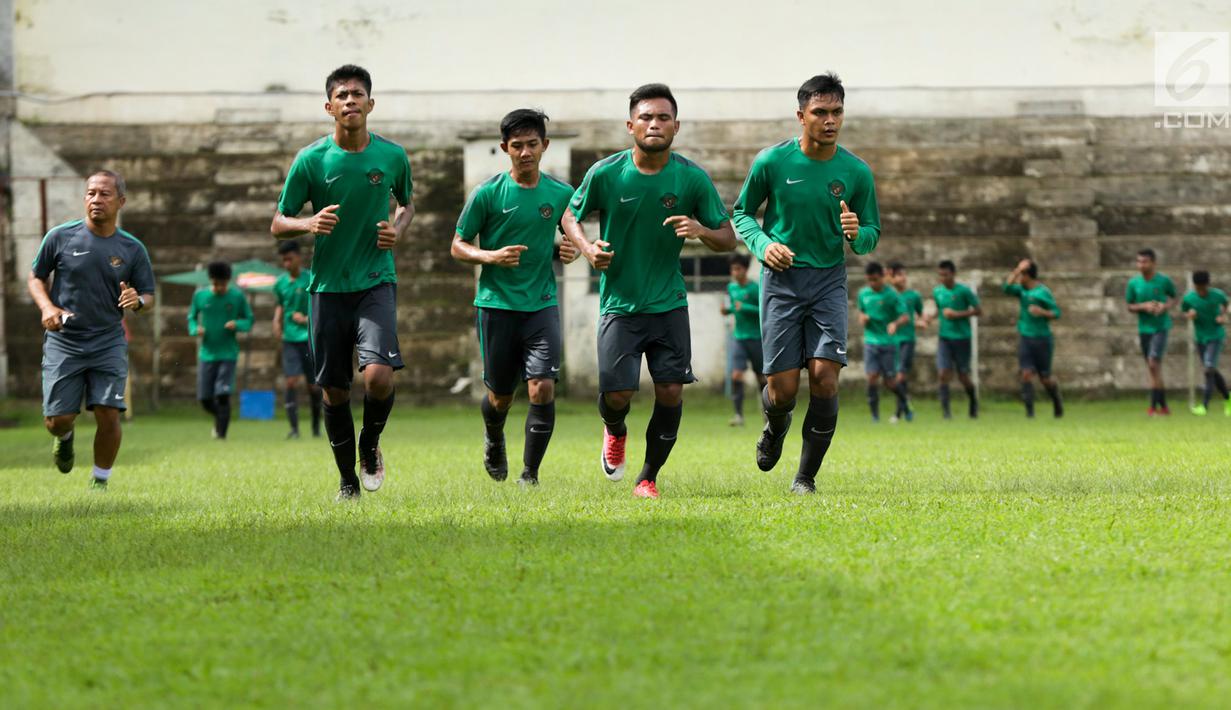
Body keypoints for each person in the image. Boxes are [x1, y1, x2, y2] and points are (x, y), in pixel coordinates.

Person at [561, 83, 736, 499]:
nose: (654, 124)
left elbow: (728, 237)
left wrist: (700, 230)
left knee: (671, 390)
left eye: (662, 118)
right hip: (620, 305)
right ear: (630, 125)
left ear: (676, 126)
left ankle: (647, 478)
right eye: (646, 117)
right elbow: (570, 213)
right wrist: (587, 248)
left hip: (669, 303)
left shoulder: (691, 178)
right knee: (617, 394)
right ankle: (614, 431)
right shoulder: (606, 173)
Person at [731, 73, 881, 494]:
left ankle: (805, 478)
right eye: (820, 112)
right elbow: (741, 213)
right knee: (781, 391)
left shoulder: (856, 171)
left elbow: (871, 232)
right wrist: (763, 245)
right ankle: (774, 428)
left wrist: (856, 233)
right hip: (781, 282)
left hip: (828, 280)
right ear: (801, 116)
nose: (829, 120)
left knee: (825, 378)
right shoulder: (771, 163)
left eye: (836, 112)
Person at [271, 64, 414, 499]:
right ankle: (347, 481)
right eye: (342, 95)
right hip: (328, 288)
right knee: (333, 390)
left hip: (375, 281)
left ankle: (369, 444)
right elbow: (278, 223)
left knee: (377, 377)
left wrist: (397, 229)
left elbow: (406, 205)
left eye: (357, 94)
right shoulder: (310, 160)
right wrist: (308, 223)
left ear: (371, 104)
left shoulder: (392, 156)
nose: (350, 101)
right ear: (328, 106)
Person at [451, 108, 578, 486]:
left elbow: (573, 235)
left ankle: (530, 474)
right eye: (517, 145)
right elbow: (457, 246)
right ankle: (494, 436)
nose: (526, 152)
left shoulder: (560, 194)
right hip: (496, 306)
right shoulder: (487, 194)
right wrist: (489, 256)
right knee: (501, 397)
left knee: (542, 386)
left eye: (533, 144)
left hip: (541, 304)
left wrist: (569, 249)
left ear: (545, 146)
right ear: (505, 148)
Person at [27, 170, 155, 488]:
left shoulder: (133, 249)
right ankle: (65, 436)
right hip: (64, 341)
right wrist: (47, 307)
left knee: (109, 412)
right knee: (56, 421)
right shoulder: (59, 237)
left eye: (104, 194)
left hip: (108, 340)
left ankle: (100, 482)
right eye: (90, 193)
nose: (96, 200)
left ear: (121, 201)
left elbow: (148, 295)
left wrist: (136, 300)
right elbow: (35, 277)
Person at [188, 261, 253, 440]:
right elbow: (191, 318)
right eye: (216, 284)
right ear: (210, 280)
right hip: (207, 353)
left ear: (228, 281)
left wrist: (237, 324)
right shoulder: (200, 297)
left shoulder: (237, 297)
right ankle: (220, 418)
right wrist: (196, 329)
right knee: (205, 399)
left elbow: (249, 320)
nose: (219, 288)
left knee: (223, 394)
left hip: (228, 353)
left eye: (223, 284)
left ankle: (221, 435)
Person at [273, 239, 322, 438]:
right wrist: (276, 321)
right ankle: (294, 429)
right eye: (283, 260)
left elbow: (321, 308)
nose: (286, 264)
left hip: (308, 339)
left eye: (289, 259)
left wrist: (307, 319)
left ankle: (316, 428)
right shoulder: (280, 284)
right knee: (291, 381)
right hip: (290, 340)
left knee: (313, 385)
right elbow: (280, 306)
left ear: (298, 257)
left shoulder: (311, 278)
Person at [1003, 258, 1063, 418]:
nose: (1018, 278)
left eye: (1021, 274)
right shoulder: (1021, 291)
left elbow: (1056, 313)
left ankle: (1057, 402)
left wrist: (1042, 312)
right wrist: (1016, 270)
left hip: (1043, 339)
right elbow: (1006, 288)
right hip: (1026, 338)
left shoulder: (1042, 292)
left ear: (1028, 276)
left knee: (1045, 378)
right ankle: (1030, 413)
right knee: (1026, 373)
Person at [1125, 248, 1177, 415]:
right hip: (1144, 329)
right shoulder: (1134, 283)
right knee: (1153, 367)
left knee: (1153, 363)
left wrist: (1164, 306)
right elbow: (1130, 306)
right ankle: (1164, 407)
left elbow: (1174, 298)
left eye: (1144, 262)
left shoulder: (1163, 281)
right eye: (1139, 261)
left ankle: (1153, 406)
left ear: (1153, 263)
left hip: (1160, 327)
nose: (1141, 265)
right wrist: (1144, 306)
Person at [856, 262, 909, 422]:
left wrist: (895, 323)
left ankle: (905, 404)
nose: (873, 283)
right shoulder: (863, 294)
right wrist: (863, 318)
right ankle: (875, 416)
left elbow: (905, 316)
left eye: (876, 280)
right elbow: (861, 313)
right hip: (871, 342)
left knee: (890, 382)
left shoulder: (892, 295)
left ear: (883, 278)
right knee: (872, 377)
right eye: (870, 280)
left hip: (888, 342)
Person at [933, 260, 981, 419]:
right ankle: (946, 412)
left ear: (953, 274)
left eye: (945, 275)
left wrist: (958, 314)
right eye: (940, 275)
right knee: (943, 373)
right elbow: (939, 311)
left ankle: (973, 402)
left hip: (962, 337)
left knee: (963, 376)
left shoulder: (964, 291)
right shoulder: (938, 292)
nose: (943, 278)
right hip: (944, 338)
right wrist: (927, 319)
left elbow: (978, 311)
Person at [722, 253, 765, 426]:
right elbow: (732, 307)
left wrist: (744, 307)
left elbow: (764, 310)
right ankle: (738, 415)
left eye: (738, 268)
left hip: (756, 339)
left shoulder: (755, 288)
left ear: (745, 270)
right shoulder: (731, 288)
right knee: (736, 375)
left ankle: (767, 413)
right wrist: (728, 310)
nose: (734, 272)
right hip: (738, 338)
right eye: (732, 269)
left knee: (761, 377)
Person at [1180, 270, 1230, 416]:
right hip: (1200, 338)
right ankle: (1228, 398)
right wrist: (1189, 315)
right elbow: (1184, 311)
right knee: (1211, 370)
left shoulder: (1217, 295)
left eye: (1203, 287)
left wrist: (1222, 316)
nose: (1201, 290)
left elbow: (1226, 305)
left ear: (1207, 285)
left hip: (1215, 335)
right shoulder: (1189, 298)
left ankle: (1205, 406)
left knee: (1208, 369)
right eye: (1198, 287)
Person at [887, 262, 926, 422]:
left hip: (907, 339)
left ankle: (898, 413)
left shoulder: (914, 296)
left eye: (904, 275)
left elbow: (920, 316)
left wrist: (921, 322)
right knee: (892, 378)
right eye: (899, 275)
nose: (903, 278)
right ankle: (907, 408)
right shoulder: (888, 295)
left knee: (901, 376)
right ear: (892, 277)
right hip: (889, 341)